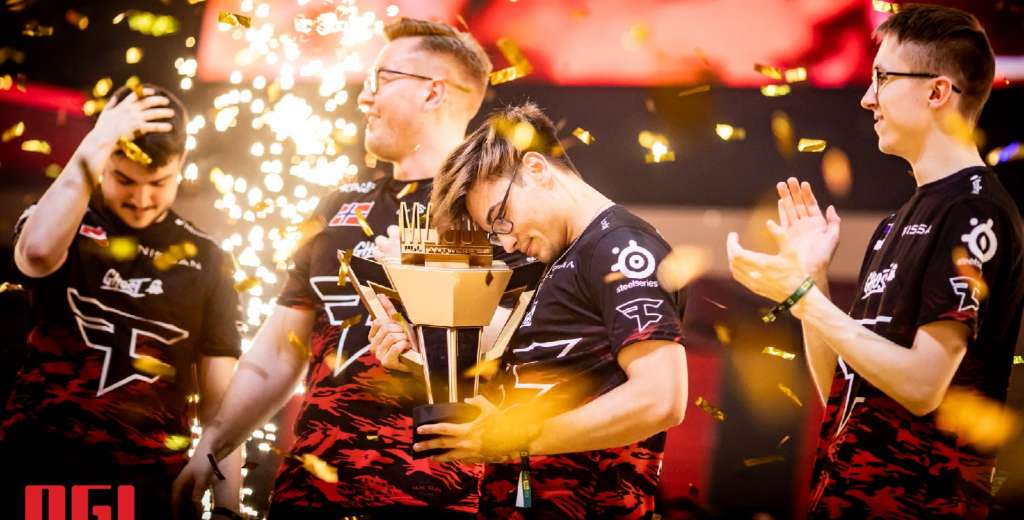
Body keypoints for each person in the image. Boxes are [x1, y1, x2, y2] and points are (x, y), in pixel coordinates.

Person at [172, 18, 494, 519]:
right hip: (309, 492)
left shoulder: (499, 208)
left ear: (433, 92)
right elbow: (281, 350)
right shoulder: (338, 207)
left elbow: (523, 353)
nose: (364, 98)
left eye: (381, 79)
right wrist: (212, 446)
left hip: (439, 496)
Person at [725, 5, 1024, 518]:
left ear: (937, 92)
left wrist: (803, 298)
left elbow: (922, 386)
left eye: (883, 78)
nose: (867, 98)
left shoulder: (975, 211)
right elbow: (841, 392)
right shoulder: (895, 223)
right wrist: (812, 280)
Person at [379, 102, 688, 519]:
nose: (505, 242)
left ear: (537, 169)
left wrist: (517, 437)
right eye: (494, 232)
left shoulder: (621, 247)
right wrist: (414, 347)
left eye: (501, 218)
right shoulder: (557, 259)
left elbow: (661, 398)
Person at [0, 83, 243, 520]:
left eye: (159, 183)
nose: (141, 199)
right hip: (41, 468)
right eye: (124, 179)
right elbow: (36, 255)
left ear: (181, 163)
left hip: (149, 486)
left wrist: (226, 509)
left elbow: (221, 409)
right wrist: (99, 138)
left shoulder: (209, 259)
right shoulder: (61, 219)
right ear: (103, 160)